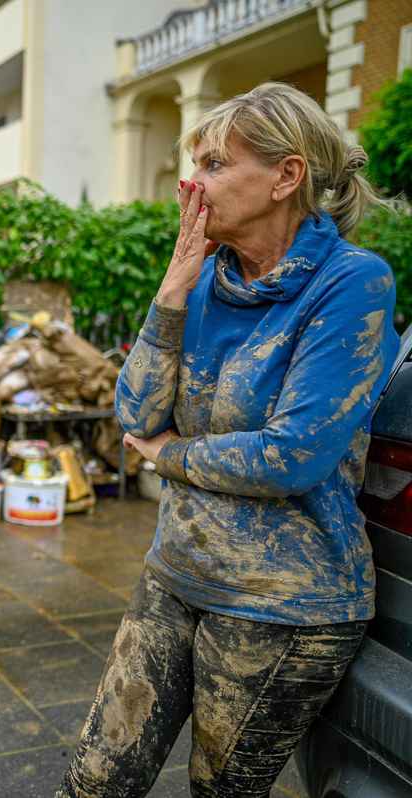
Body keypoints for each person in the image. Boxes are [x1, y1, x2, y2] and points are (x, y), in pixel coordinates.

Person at [56, 83, 400, 797]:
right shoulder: (206, 280)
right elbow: (135, 410)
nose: (192, 183)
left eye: (214, 163)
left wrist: (171, 457)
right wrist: (172, 292)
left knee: (220, 792)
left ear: (285, 176)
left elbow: (292, 455)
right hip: (176, 573)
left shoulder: (351, 284)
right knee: (94, 781)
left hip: (283, 603)